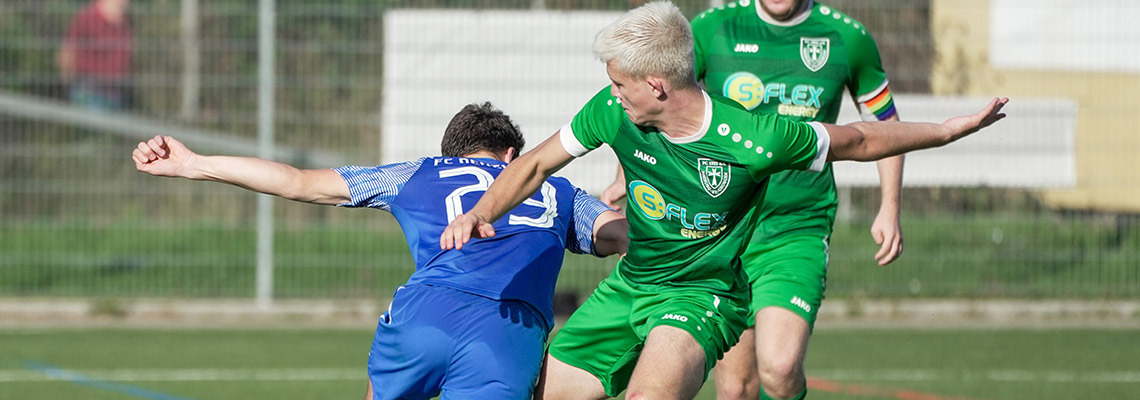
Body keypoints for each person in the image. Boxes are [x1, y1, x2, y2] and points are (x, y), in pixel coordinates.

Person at [440, 2, 1007, 399]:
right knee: (528, 392)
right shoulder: (612, 111)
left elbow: (860, 139)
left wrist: (948, 130)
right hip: (632, 285)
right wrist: (478, 213)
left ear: (657, 85)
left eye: (619, 82)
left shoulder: (758, 138)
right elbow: (536, 163)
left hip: (703, 296)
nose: (610, 91)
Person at [131, 102, 629, 400]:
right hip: (507, 334)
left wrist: (194, 164)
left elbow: (298, 181)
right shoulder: (555, 188)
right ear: (512, 157)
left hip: (425, 315)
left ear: (451, 152)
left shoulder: (418, 172)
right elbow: (623, 237)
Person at [599, 1, 906, 398]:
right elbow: (659, 102)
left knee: (779, 368)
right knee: (736, 386)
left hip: (796, 227)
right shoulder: (714, 27)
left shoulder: (848, 37)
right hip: (722, 230)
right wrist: (626, 179)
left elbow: (884, 124)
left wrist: (890, 206)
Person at [58, 0, 133, 111]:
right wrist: (67, 85)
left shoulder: (125, 23)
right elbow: (67, 52)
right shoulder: (87, 17)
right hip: (87, 91)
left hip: (115, 94)